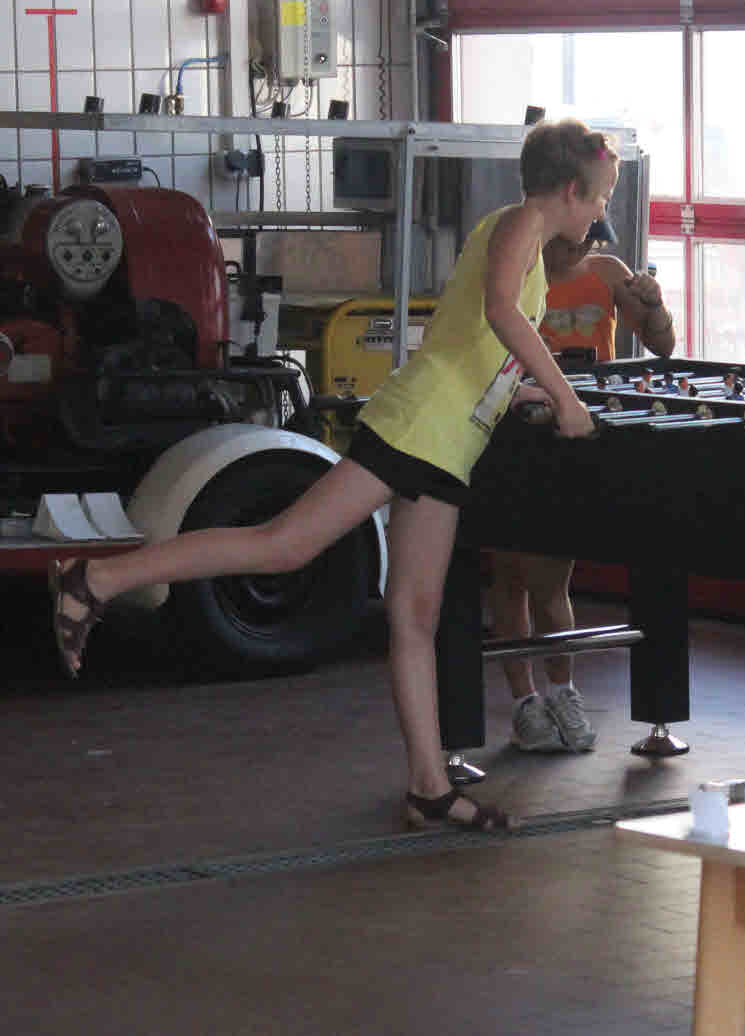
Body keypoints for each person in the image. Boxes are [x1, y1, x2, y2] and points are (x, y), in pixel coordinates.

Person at [47, 118, 618, 827]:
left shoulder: (522, 235)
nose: (601, 213)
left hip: (450, 444)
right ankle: (97, 579)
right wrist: (565, 395)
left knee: (414, 616)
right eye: (600, 198)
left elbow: (474, 338)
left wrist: (522, 389)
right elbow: (501, 312)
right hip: (417, 428)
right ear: (570, 191)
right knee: (284, 545)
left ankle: (428, 787)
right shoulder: (521, 225)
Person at [494, 220, 676, 752]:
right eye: (577, 237)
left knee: (550, 576)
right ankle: (526, 703)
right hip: (514, 426)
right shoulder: (514, 273)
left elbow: (663, 345)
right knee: (508, 573)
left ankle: (561, 691)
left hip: (578, 431)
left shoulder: (608, 273)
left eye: (593, 238)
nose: (585, 246)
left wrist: (655, 305)